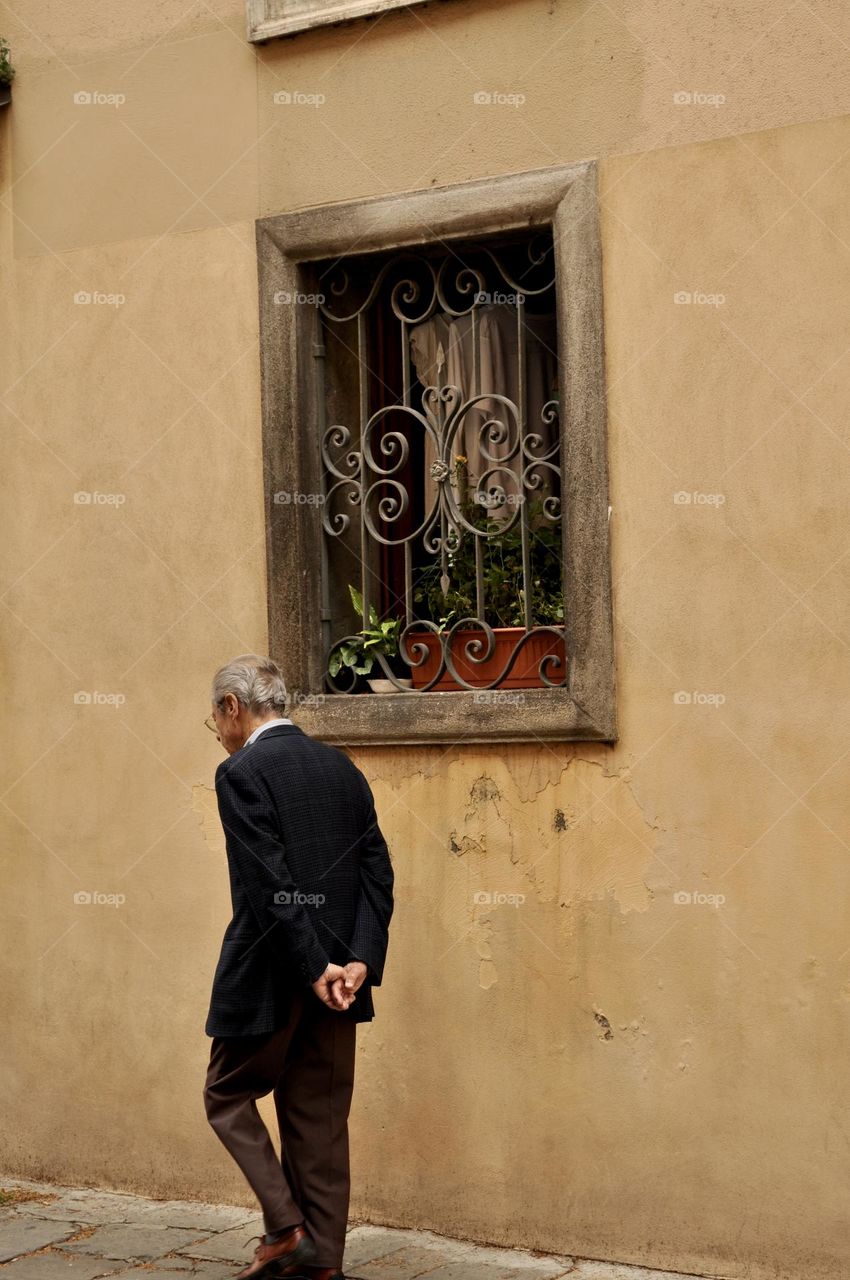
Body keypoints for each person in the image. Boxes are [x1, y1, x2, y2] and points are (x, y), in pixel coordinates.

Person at [202, 654, 394, 1280]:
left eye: (216, 717)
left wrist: (314, 967)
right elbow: (378, 875)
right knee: (319, 1119)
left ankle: (286, 1230)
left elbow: (271, 884)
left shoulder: (241, 772)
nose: (219, 730)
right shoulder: (343, 769)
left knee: (227, 1095)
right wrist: (357, 961)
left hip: (272, 977)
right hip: (341, 982)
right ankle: (323, 1266)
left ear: (233, 706)